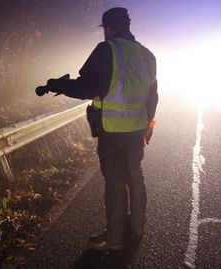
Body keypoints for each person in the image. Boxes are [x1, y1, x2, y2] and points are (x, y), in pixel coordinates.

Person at [39, 7, 158, 251]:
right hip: (137, 130)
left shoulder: (108, 50)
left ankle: (114, 237)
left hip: (112, 131)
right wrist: (149, 125)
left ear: (109, 28)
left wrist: (59, 85)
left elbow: (87, 87)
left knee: (115, 181)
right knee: (135, 176)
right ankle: (137, 227)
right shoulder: (148, 55)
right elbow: (153, 96)